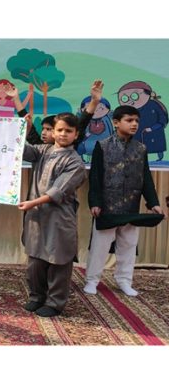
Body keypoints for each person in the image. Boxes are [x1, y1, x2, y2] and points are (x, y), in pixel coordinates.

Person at [83, 105, 165, 297]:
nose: (134, 124)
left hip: (131, 206)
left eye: (136, 121)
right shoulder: (102, 146)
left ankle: (124, 280)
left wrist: (153, 203)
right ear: (116, 122)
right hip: (106, 207)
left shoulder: (141, 148)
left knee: (128, 245)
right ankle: (92, 281)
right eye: (129, 120)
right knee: (100, 246)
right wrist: (95, 202)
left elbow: (146, 178)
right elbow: (94, 177)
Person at [18, 113, 87, 317]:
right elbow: (20, 151)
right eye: (60, 130)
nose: (63, 134)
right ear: (53, 132)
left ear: (76, 134)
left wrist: (32, 203)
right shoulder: (43, 150)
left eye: (68, 131)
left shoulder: (76, 163)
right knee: (35, 260)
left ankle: (55, 302)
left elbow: (58, 191)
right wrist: (26, 128)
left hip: (59, 218)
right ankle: (36, 297)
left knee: (58, 260)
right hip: (37, 217)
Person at [116, 80, 168, 161]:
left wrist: (154, 127)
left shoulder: (154, 105)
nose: (130, 100)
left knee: (155, 146)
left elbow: (163, 118)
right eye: (124, 98)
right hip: (136, 134)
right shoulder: (127, 110)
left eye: (134, 96)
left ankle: (159, 158)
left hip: (154, 132)